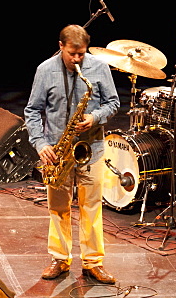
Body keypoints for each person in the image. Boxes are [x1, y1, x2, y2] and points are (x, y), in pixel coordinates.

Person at [26, 25, 120, 284]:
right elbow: (32, 110)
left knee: (91, 205)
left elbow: (113, 102)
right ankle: (60, 258)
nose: (77, 59)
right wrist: (41, 143)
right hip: (57, 151)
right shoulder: (45, 70)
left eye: (81, 54)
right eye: (72, 54)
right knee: (58, 207)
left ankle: (93, 263)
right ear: (61, 46)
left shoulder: (99, 67)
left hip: (92, 148)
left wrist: (95, 117)